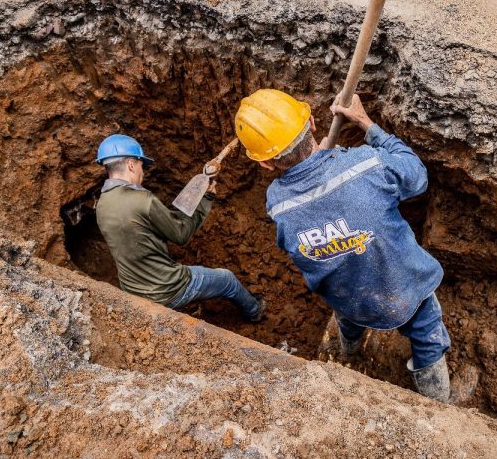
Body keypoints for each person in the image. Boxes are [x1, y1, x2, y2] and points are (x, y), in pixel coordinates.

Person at [234, 88, 464, 402]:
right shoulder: (366, 165)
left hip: (347, 298)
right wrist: (366, 123)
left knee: (349, 322)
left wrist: (326, 161)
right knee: (428, 337)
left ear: (266, 165)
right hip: (405, 289)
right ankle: (438, 402)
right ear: (312, 123)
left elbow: (312, 199)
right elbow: (416, 176)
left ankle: (348, 351)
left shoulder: (277, 203)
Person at [94, 134, 266, 321]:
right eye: (141, 166)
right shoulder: (142, 200)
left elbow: (144, 228)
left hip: (133, 290)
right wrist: (206, 199)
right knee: (226, 279)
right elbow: (181, 234)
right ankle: (255, 311)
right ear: (130, 164)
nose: (142, 173)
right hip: (165, 290)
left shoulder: (101, 204)